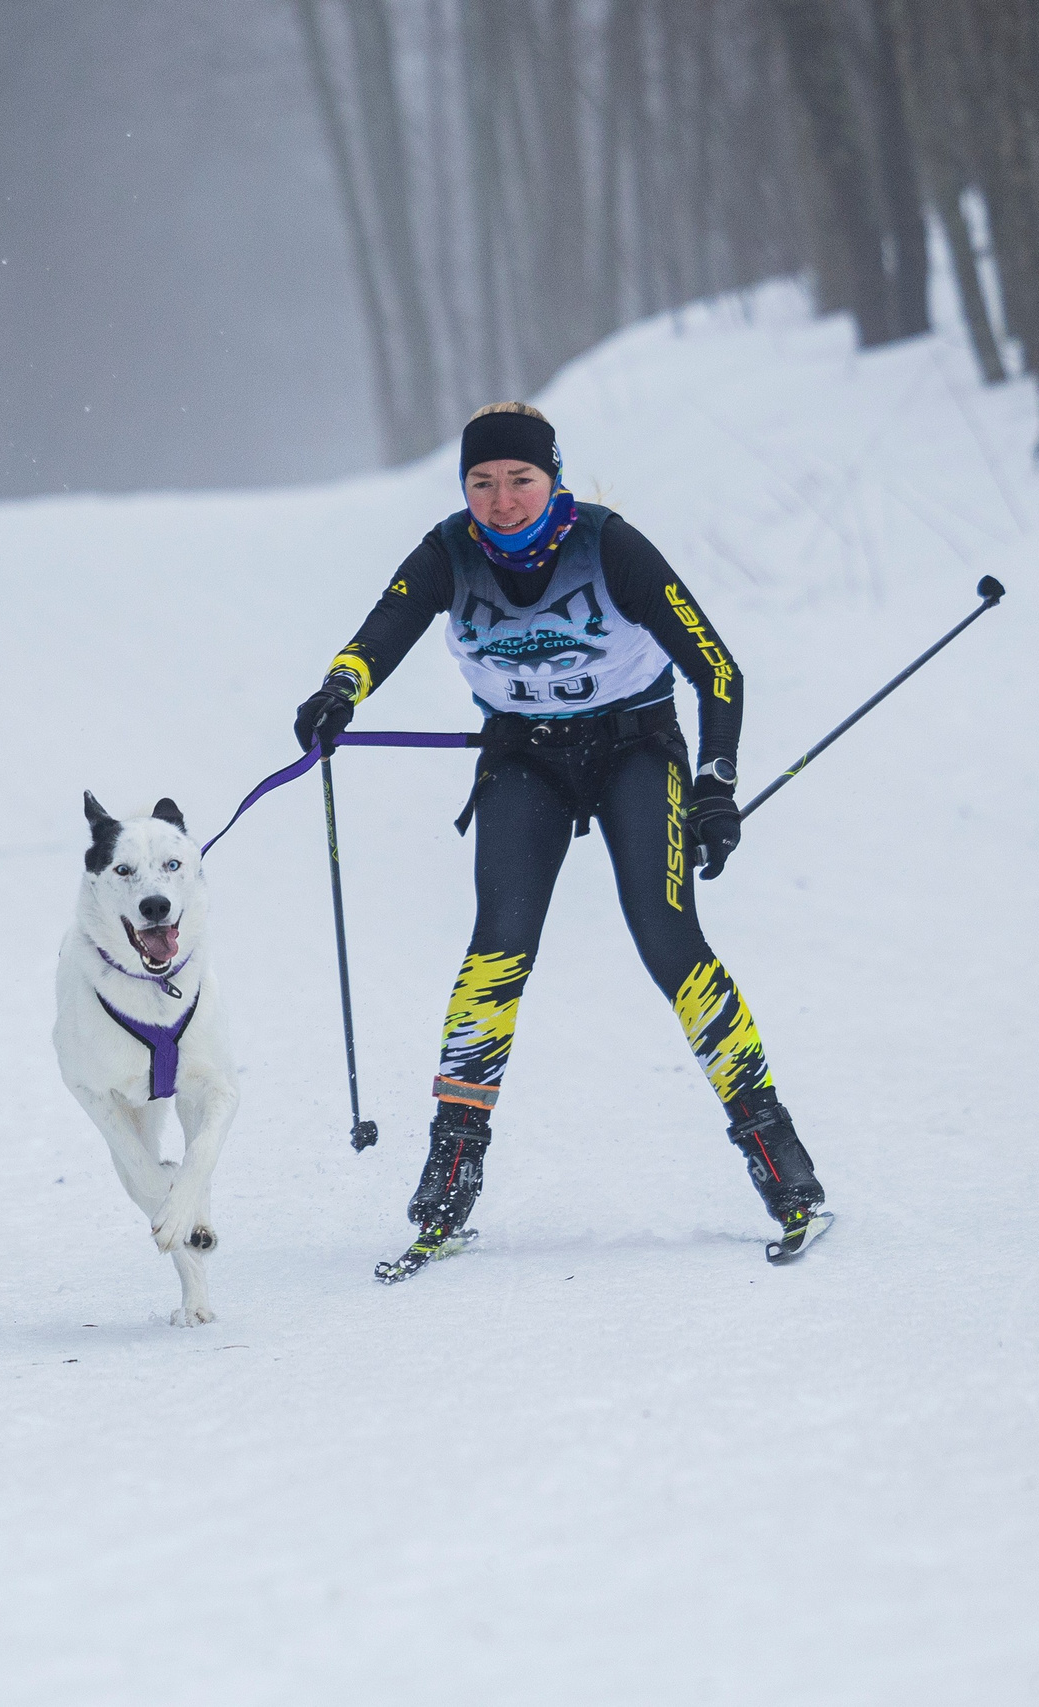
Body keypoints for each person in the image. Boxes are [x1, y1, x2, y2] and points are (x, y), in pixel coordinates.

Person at [292, 402, 827, 1276]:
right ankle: (447, 1188)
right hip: (526, 760)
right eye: (482, 483)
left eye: (520, 480)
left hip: (635, 749)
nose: (501, 501)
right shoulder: (448, 552)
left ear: (554, 479)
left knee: (668, 938)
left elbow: (717, 669)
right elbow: (378, 635)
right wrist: (338, 692)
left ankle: (784, 1170)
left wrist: (716, 783)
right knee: (496, 949)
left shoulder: (610, 544)